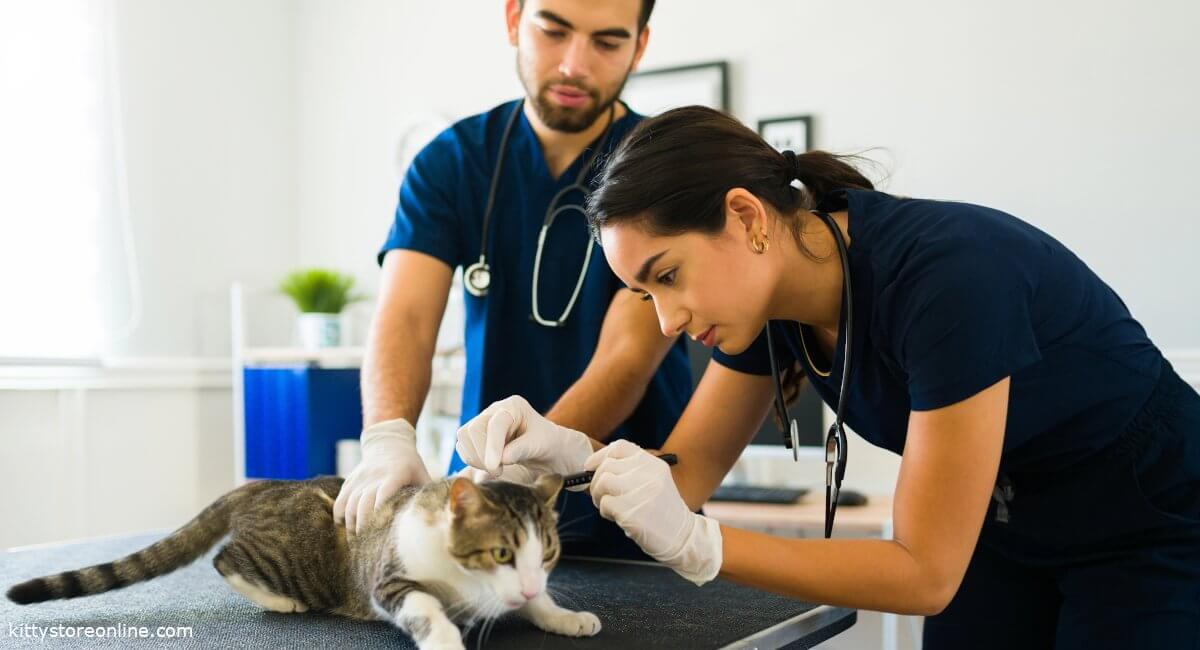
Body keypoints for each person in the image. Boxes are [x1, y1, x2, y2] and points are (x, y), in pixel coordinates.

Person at [456, 105, 1200, 648]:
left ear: (746, 217)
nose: (666, 322)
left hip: (1148, 524)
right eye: (646, 296)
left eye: (668, 276)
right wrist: (570, 459)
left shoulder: (950, 279)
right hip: (1002, 532)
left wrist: (704, 547)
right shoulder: (768, 307)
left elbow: (923, 573)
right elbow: (682, 478)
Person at [333, 0, 694, 561]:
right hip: (481, 513)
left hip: (632, 516)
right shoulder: (451, 164)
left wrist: (530, 458)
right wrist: (387, 436)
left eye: (606, 42)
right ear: (512, 22)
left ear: (639, 46)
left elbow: (629, 355)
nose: (575, 64)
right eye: (553, 31)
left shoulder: (664, 168)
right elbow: (404, 315)